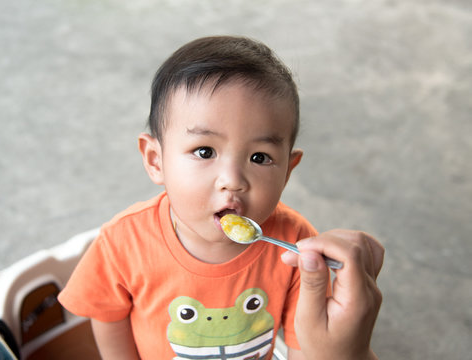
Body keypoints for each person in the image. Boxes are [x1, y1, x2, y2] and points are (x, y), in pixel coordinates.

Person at [58, 35, 384, 359]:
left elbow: (305, 345)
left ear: (287, 170)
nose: (233, 181)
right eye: (204, 151)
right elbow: (107, 315)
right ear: (156, 160)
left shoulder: (296, 246)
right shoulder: (123, 241)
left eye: (259, 157)